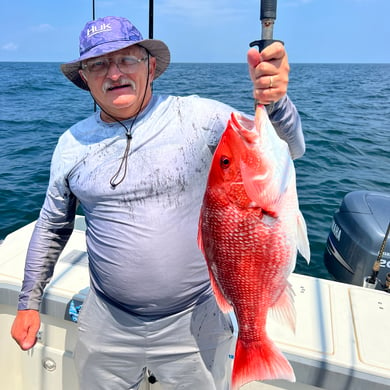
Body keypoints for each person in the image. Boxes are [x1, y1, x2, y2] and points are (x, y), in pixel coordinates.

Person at [11, 16, 305, 390]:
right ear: (84, 77)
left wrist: (276, 102)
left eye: (127, 59)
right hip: (106, 320)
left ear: (151, 66)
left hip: (197, 316)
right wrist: (28, 303)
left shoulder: (199, 116)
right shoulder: (71, 144)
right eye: (98, 64)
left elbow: (286, 147)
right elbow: (53, 226)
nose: (114, 73)